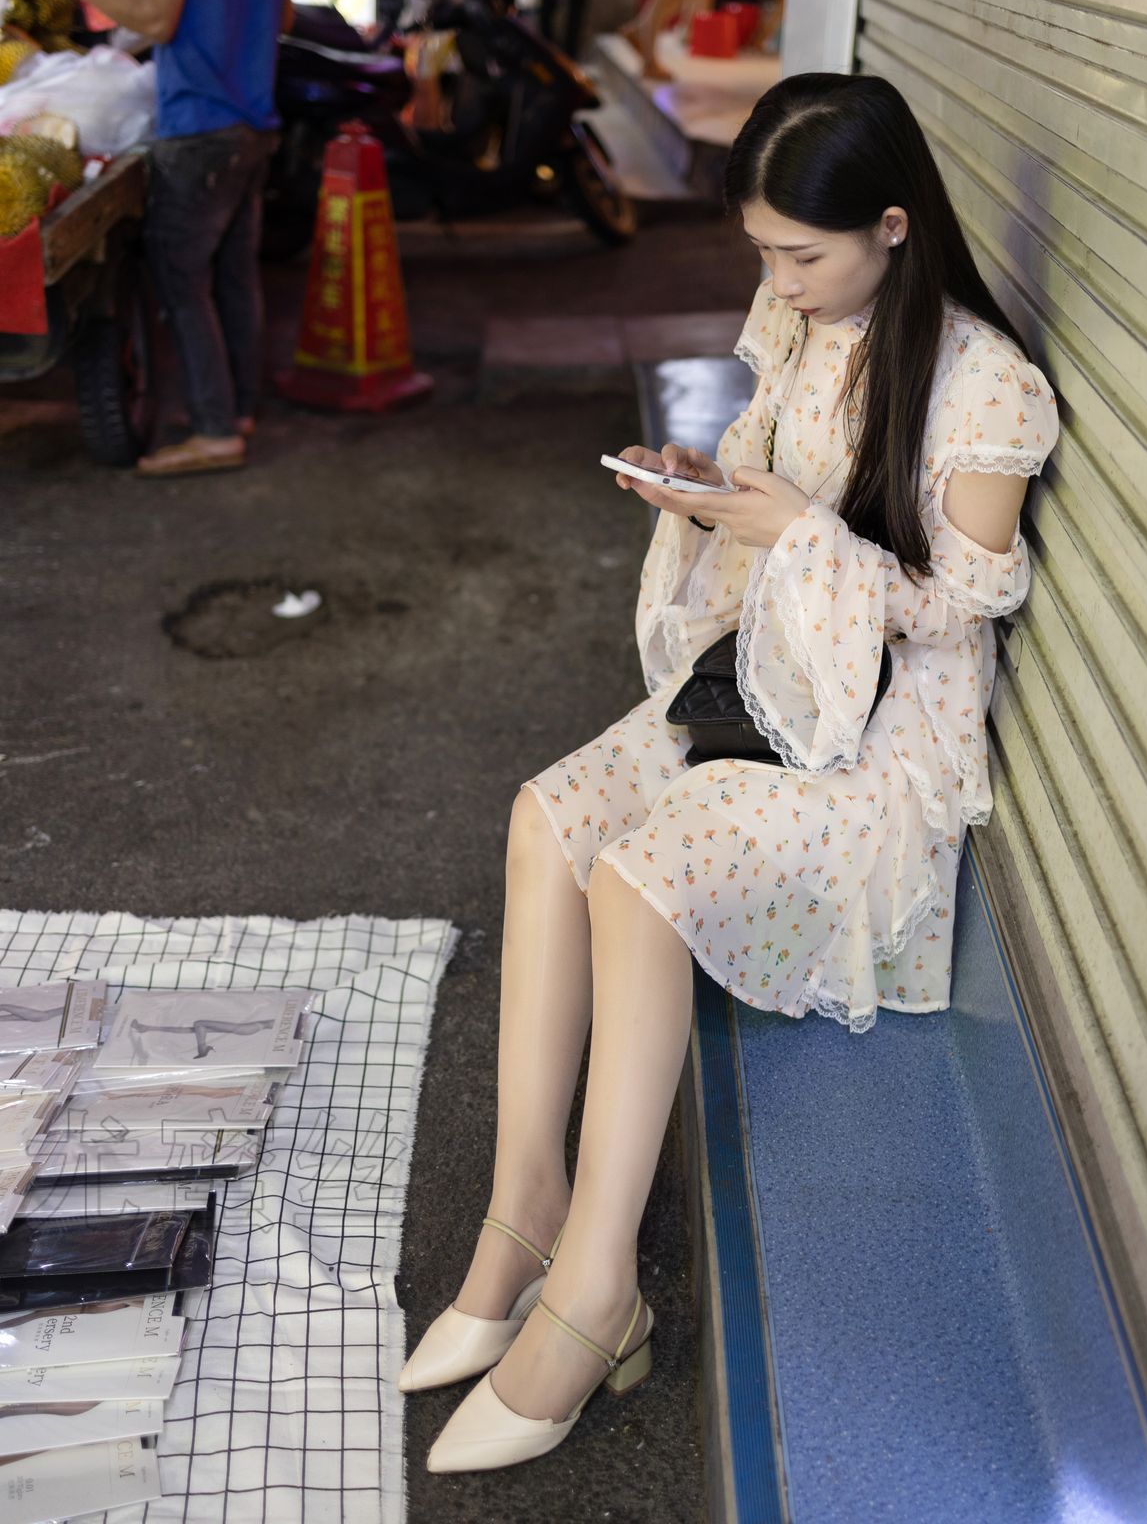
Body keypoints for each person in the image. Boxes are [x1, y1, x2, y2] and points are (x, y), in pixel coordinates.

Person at [398, 73, 1059, 1473]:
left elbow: (959, 612)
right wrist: (702, 491)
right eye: (762, 252)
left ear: (892, 226)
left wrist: (800, 533)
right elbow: (765, 481)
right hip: (770, 681)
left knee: (642, 875)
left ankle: (598, 1293)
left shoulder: (988, 385)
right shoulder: (801, 317)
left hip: (884, 744)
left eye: (799, 256)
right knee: (547, 817)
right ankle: (523, 1211)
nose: (779, 284)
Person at [8, 0, 294, 477]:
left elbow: (159, 19)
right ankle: (238, 409)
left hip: (198, 131)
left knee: (180, 279)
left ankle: (215, 430)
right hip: (254, 125)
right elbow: (282, 15)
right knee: (233, 276)